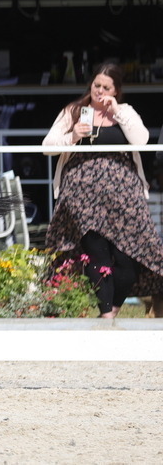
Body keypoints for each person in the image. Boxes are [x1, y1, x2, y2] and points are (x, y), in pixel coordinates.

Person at [42, 62, 163, 317]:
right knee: (97, 255)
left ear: (116, 90)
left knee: (128, 257)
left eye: (106, 87)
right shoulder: (74, 110)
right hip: (83, 194)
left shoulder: (125, 111)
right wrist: (73, 135)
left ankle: (112, 310)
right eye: (96, 85)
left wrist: (117, 112)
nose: (99, 91)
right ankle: (106, 315)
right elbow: (48, 146)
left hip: (124, 194)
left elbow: (141, 140)